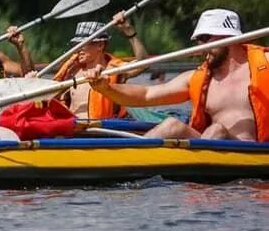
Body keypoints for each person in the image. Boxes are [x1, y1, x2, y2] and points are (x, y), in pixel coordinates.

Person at [86, 9, 266, 140]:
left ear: (228, 37)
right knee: (172, 125)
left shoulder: (265, 63)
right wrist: (105, 87)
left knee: (216, 130)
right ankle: (124, 167)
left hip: (253, 152)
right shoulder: (197, 78)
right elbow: (146, 95)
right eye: (198, 41)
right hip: (211, 152)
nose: (199, 47)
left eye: (204, 39)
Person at [49, 21, 133, 121]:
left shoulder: (115, 69)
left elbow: (143, 64)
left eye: (82, 44)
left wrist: (130, 32)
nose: (77, 50)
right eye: (76, 45)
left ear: (100, 45)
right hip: (74, 128)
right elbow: (49, 97)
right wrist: (33, 82)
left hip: (104, 129)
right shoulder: (72, 71)